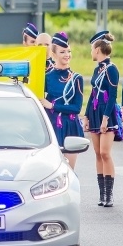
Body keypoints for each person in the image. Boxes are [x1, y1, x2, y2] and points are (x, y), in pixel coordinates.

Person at [84, 31, 123, 207]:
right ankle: (102, 194)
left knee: (106, 153)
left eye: (92, 48)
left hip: (106, 114)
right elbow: (93, 94)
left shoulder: (112, 69)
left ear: (98, 49)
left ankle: (110, 194)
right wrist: (86, 115)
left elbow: (113, 95)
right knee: (98, 154)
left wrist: (106, 119)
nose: (91, 52)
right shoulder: (96, 68)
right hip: (94, 113)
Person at [40, 32, 85, 168]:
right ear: (53, 54)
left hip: (70, 126)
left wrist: (53, 106)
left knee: (69, 170)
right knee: (52, 169)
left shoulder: (77, 78)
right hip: (51, 126)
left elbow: (76, 108)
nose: (67, 55)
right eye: (62, 52)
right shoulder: (46, 77)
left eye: (69, 51)